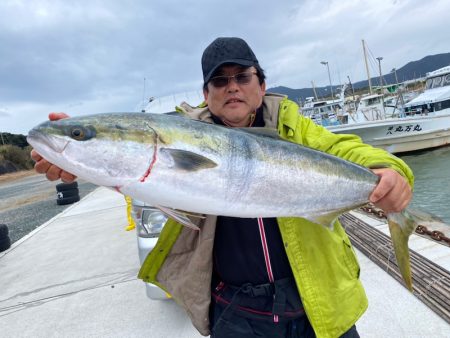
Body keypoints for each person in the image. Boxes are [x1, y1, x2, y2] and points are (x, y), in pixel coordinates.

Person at [31, 37, 413, 338]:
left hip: (319, 297)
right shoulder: (181, 136)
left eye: (242, 77)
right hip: (236, 311)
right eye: (219, 80)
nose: (232, 87)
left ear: (261, 85)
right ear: (206, 93)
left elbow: (349, 150)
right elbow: (144, 177)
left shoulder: (297, 129)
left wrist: (390, 171)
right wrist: (82, 158)